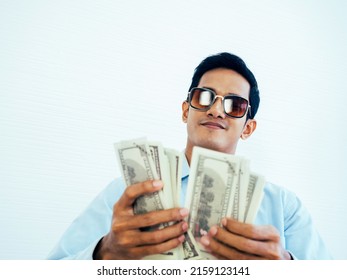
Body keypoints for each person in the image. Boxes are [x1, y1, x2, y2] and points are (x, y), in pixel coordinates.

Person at [47, 52, 332, 260]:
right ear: (186, 110)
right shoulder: (127, 193)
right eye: (205, 96)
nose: (216, 110)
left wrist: (289, 268)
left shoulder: (284, 208)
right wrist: (105, 252)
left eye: (235, 104)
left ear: (248, 127)